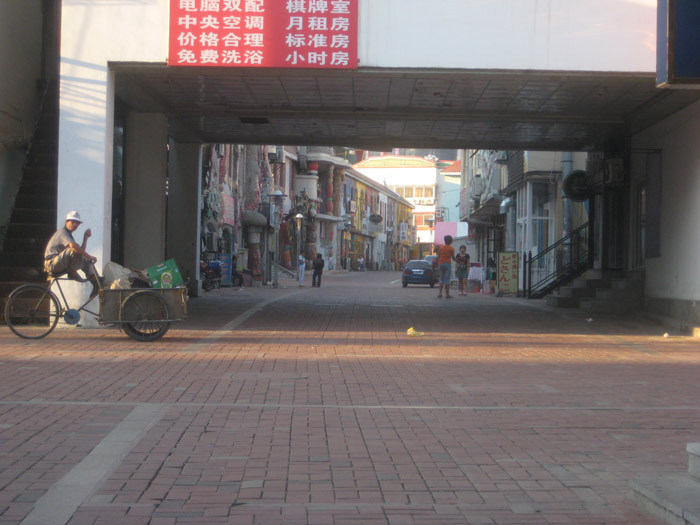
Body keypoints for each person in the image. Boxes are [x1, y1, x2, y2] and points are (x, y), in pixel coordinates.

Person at [44, 211, 100, 299]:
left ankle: (95, 282)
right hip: (52, 263)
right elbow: (73, 247)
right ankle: (72, 271)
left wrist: (85, 238)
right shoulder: (62, 232)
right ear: (66, 222)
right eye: (73, 222)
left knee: (84, 258)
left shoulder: (69, 235)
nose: (75, 224)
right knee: (73, 250)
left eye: (77, 223)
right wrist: (89, 256)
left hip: (59, 262)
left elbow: (80, 252)